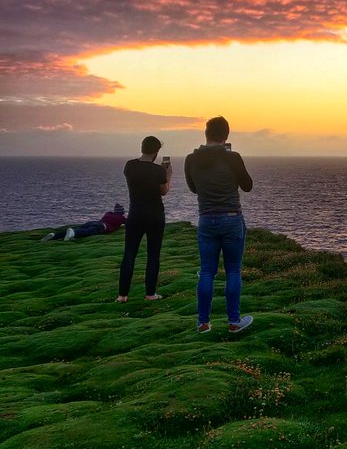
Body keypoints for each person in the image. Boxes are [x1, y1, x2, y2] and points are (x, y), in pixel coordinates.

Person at [184, 116, 253, 334]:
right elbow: (248, 186)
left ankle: (203, 323)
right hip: (231, 218)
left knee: (206, 272)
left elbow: (194, 188)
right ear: (226, 135)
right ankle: (234, 322)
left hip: (206, 219)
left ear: (206, 134)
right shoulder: (232, 157)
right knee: (233, 271)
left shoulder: (190, 159)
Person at [116, 135, 172, 303]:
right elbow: (163, 191)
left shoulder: (130, 166)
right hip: (155, 215)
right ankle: (150, 293)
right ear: (156, 151)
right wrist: (168, 174)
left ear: (142, 148)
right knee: (153, 255)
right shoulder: (159, 171)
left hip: (135, 214)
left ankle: (122, 295)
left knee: (129, 254)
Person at [41, 204, 127, 242]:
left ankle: (54, 235)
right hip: (101, 226)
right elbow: (129, 223)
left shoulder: (108, 214)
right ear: (121, 213)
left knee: (78, 229)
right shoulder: (121, 218)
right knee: (87, 232)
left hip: (94, 222)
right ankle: (73, 233)